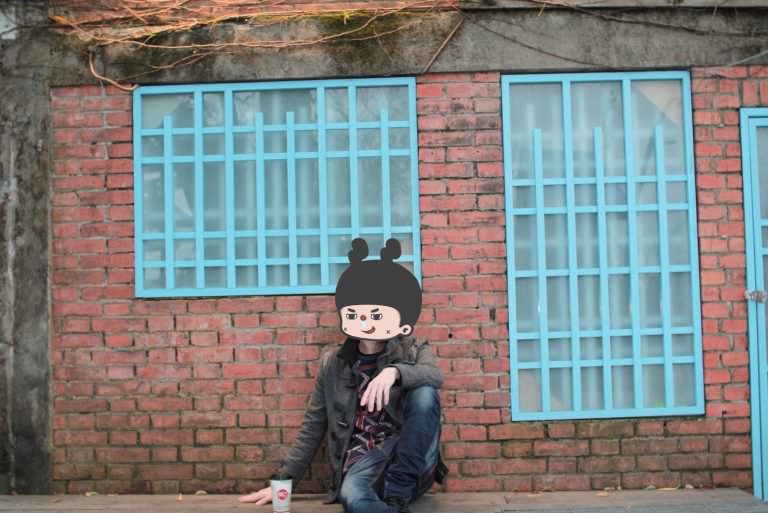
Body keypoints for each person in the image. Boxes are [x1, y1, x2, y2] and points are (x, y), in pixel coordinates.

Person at [238, 237, 448, 513]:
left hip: (409, 461)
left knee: (425, 392)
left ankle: (399, 489)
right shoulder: (333, 364)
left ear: (403, 322)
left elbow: (435, 376)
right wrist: (284, 481)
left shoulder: (413, 349)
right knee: (353, 497)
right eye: (356, 314)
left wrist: (394, 372)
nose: (365, 322)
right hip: (364, 464)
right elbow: (313, 425)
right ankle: (394, 505)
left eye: (376, 316)